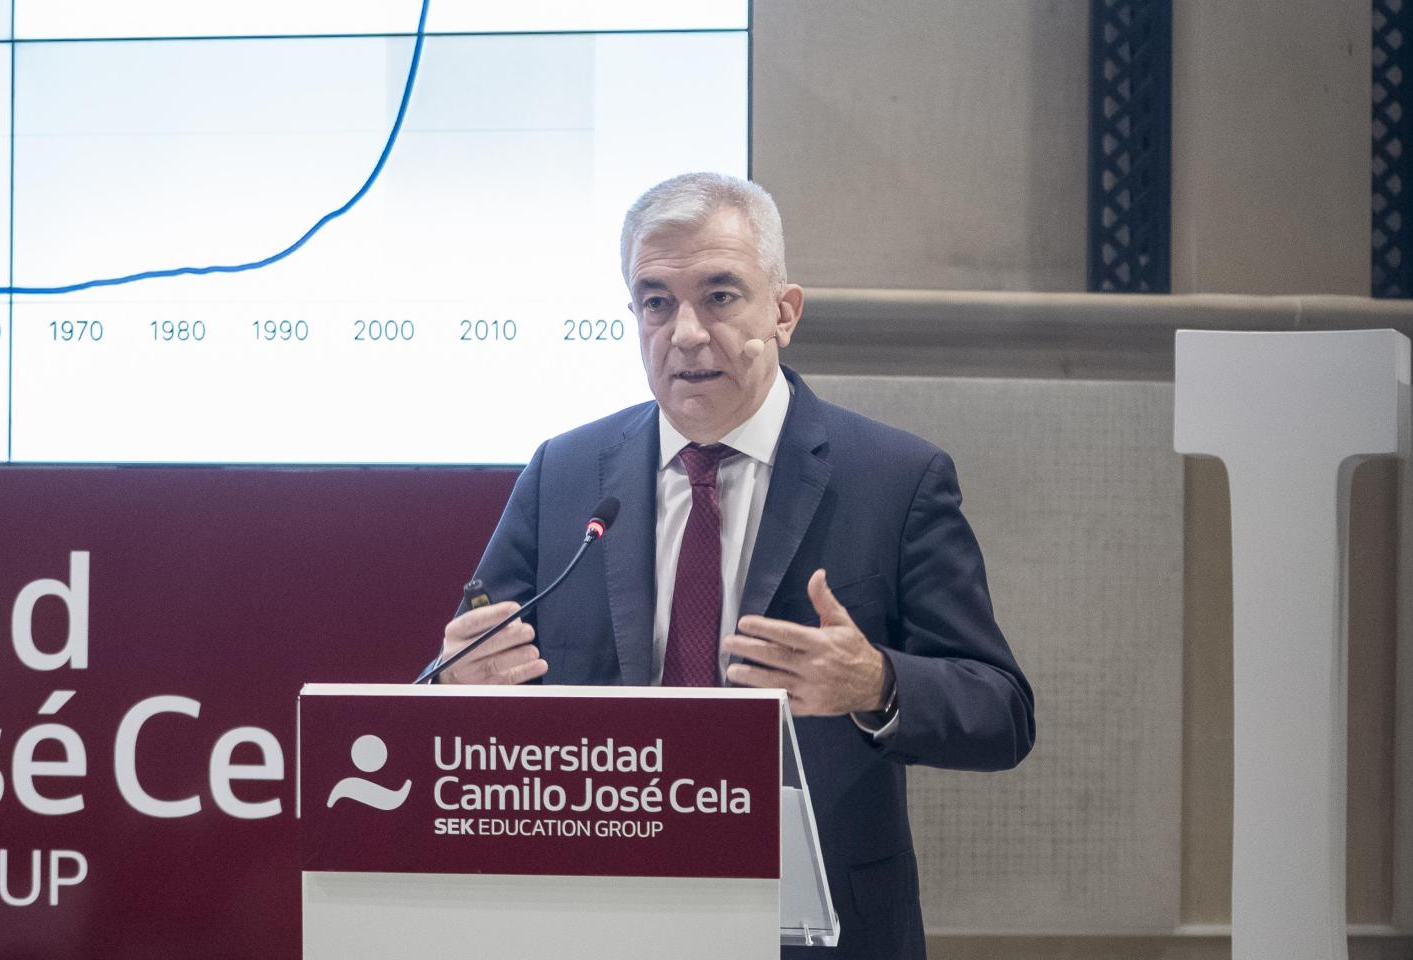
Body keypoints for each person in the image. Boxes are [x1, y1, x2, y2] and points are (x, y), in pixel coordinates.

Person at [435, 172, 1035, 959]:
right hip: (601, 915)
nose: (684, 332)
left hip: (818, 931)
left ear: (783, 312)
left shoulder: (893, 479)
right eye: (655, 301)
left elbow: (1001, 713)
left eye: (719, 297)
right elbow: (471, 663)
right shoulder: (566, 473)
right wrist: (456, 685)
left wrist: (876, 683)